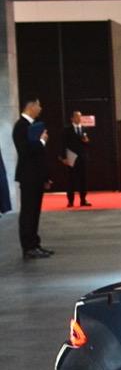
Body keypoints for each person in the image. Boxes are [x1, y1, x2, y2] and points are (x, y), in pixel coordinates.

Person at [13, 97, 53, 259]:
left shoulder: (33, 126)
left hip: (36, 176)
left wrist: (45, 176)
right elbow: (25, 151)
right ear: (31, 106)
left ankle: (35, 243)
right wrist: (41, 142)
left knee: (35, 211)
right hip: (28, 176)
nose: (40, 108)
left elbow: (40, 157)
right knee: (28, 212)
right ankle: (28, 246)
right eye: (38, 105)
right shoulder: (20, 126)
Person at [63, 110, 90, 207]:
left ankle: (83, 199)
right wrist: (63, 157)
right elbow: (63, 144)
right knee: (71, 180)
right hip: (71, 157)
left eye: (80, 117)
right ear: (72, 118)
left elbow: (88, 144)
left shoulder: (84, 129)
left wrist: (87, 141)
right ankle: (70, 201)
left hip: (82, 157)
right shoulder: (67, 129)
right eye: (77, 116)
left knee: (83, 179)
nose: (79, 118)